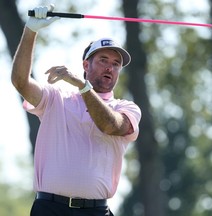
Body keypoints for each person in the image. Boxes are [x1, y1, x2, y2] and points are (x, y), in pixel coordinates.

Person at [11, 4, 141, 216]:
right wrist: (31, 31)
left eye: (116, 64)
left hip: (96, 211)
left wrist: (82, 86)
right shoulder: (56, 98)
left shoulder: (125, 108)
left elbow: (110, 125)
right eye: (103, 60)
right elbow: (20, 82)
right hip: (49, 209)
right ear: (85, 65)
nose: (110, 67)